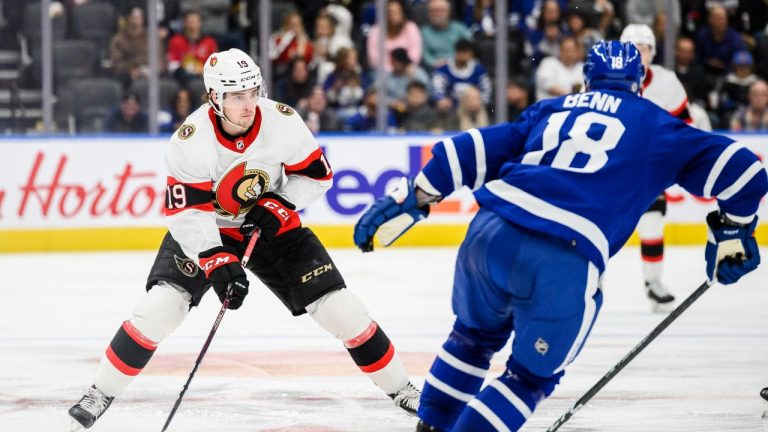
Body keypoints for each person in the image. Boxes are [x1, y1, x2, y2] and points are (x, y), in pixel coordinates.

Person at [353, 40, 766, 432]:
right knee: (527, 378)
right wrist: (733, 230)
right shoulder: (658, 124)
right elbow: (748, 172)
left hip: (489, 232)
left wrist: (415, 194)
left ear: (586, 81)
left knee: (471, 339)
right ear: (641, 85)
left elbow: (472, 148)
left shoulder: (552, 109)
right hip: (563, 255)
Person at [67, 48, 420, 430]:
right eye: (237, 96)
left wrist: (282, 203)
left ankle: (402, 388)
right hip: (210, 230)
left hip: (272, 229)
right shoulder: (191, 140)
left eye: (253, 92)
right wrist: (217, 260)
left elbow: (317, 176)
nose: (249, 104)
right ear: (215, 97)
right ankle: (100, 392)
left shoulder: (282, 122)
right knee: (159, 309)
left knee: (342, 309)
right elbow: (188, 215)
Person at [620, 23, 694, 312]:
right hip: (608, 167)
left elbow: (684, 124)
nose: (640, 53)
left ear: (653, 51)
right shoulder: (604, 76)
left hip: (647, 169)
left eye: (645, 47)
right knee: (600, 227)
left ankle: (653, 284)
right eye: (634, 47)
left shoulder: (666, 80)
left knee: (652, 224)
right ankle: (591, 280)